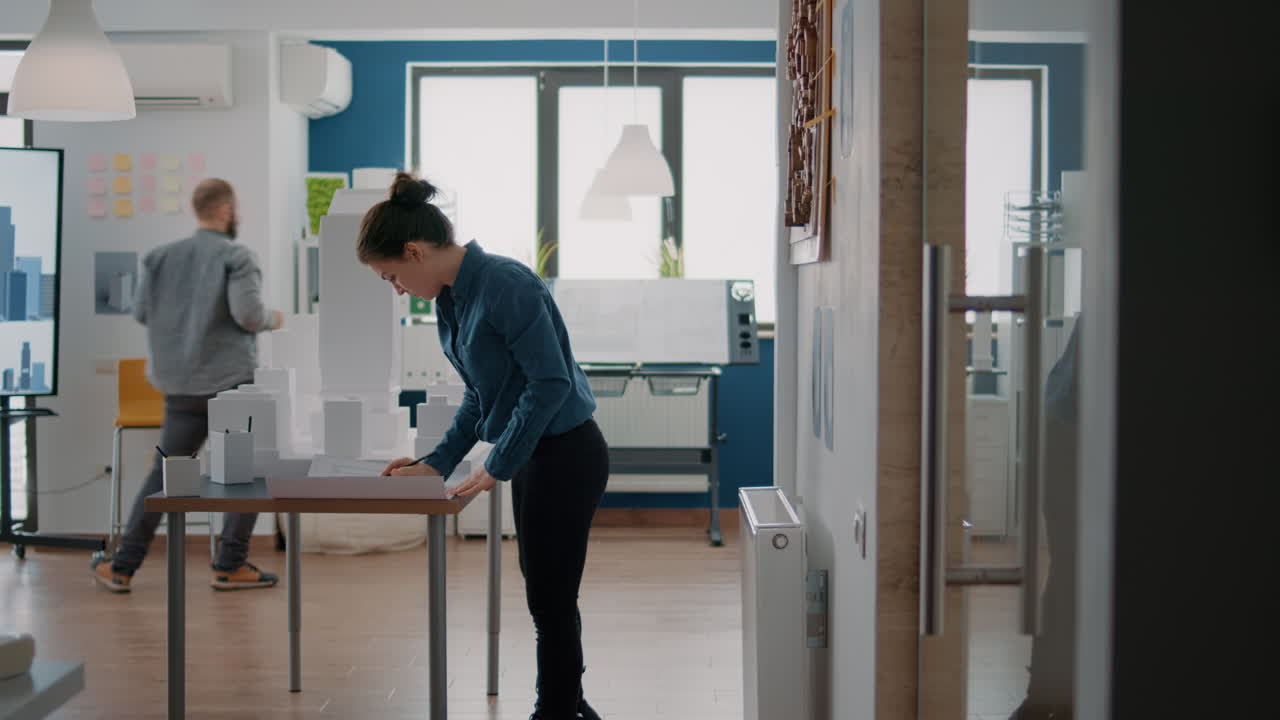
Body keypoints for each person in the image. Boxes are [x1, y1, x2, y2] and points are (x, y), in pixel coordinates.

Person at [363, 173, 609, 720]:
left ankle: (557, 711)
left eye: (392, 276)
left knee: (550, 597)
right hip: (538, 455)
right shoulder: (450, 302)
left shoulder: (506, 284)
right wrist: (435, 464)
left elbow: (551, 384)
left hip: (568, 453)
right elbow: (481, 395)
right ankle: (570, 705)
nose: (397, 288)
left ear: (413, 251)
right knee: (545, 593)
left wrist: (498, 462)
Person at [91, 179, 284, 594]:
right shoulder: (237, 255)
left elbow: (142, 312)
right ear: (227, 210)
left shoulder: (160, 258)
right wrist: (276, 319)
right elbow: (249, 315)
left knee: (164, 475)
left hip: (179, 387)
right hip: (230, 383)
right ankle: (230, 564)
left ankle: (122, 566)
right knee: (246, 473)